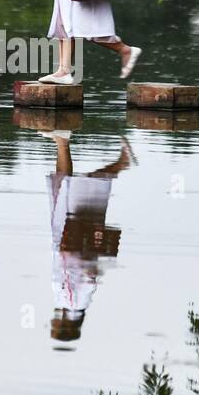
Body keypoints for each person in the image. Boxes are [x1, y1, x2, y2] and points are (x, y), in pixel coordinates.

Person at [43, 132, 136, 342]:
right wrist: (73, 253)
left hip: (70, 238)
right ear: (64, 327)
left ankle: (62, 142)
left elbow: (89, 275)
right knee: (74, 188)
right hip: (72, 239)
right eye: (54, 327)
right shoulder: (72, 303)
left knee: (64, 186)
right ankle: (120, 163)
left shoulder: (78, 303)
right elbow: (84, 274)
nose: (51, 322)